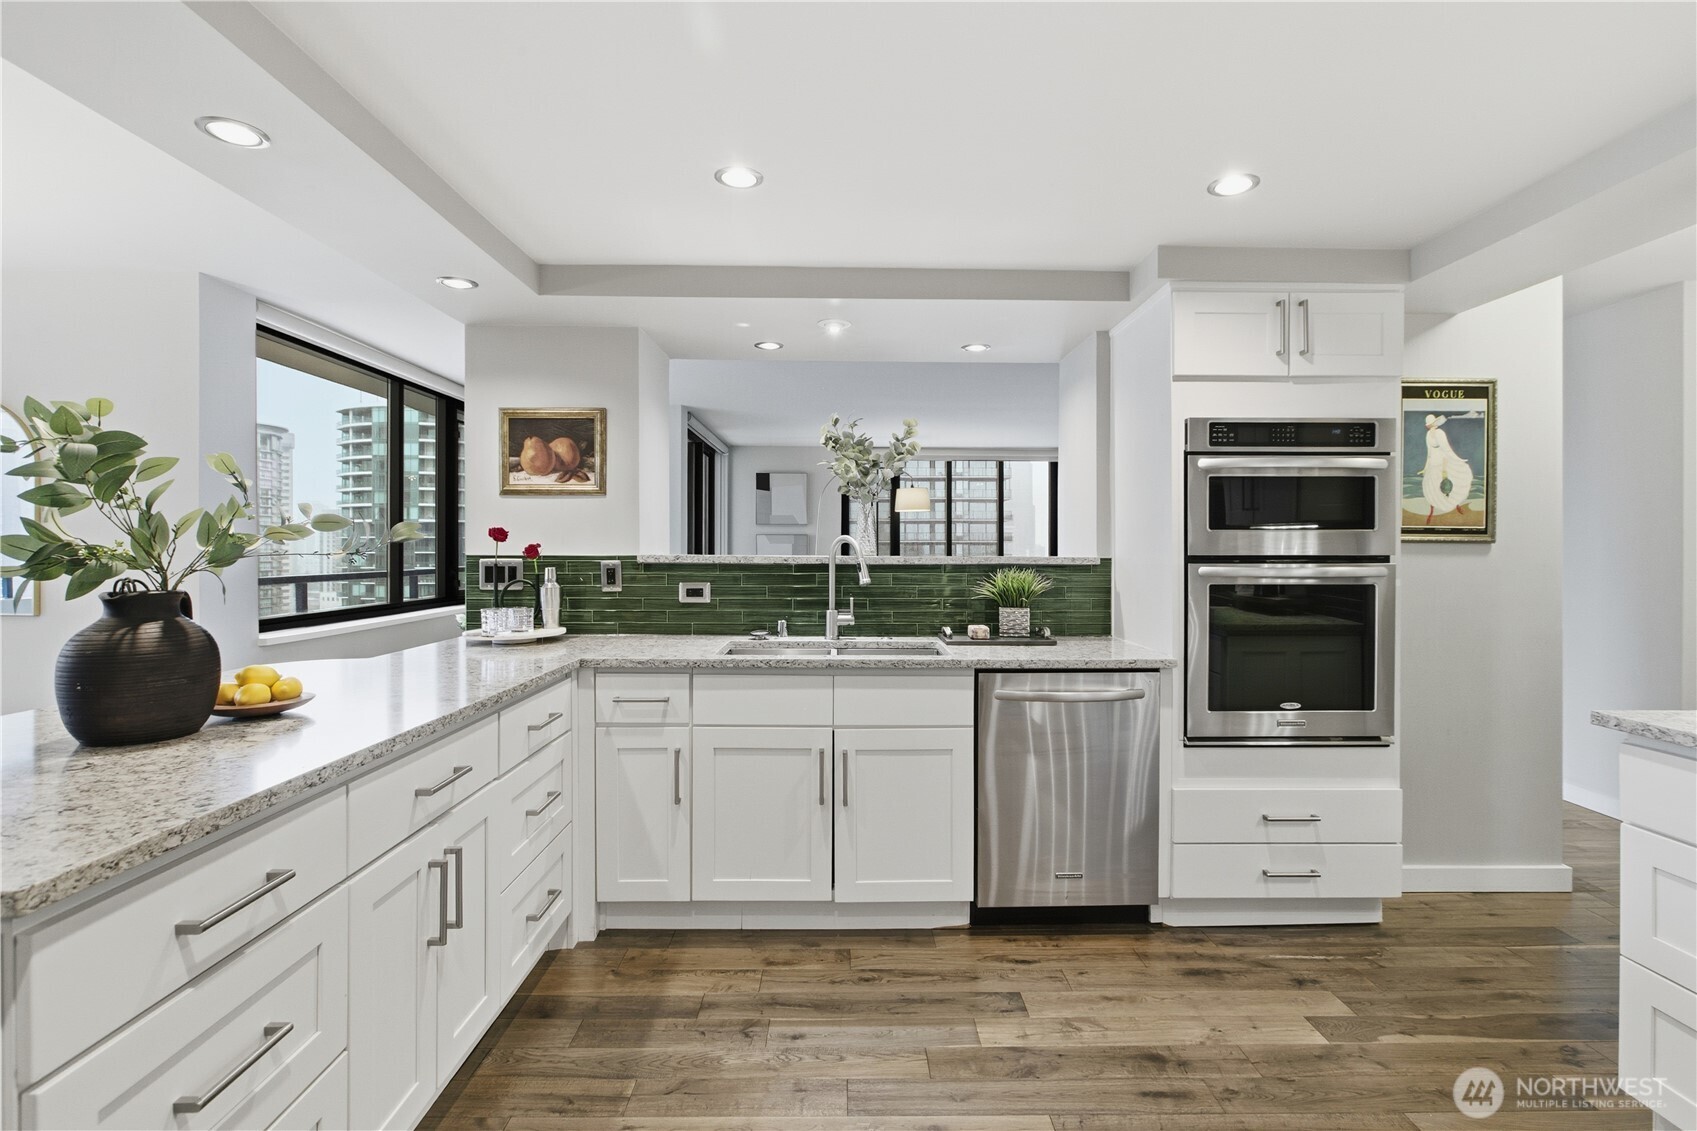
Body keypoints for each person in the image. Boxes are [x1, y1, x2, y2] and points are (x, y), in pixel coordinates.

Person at [1420, 413, 1473, 524]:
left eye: (1432, 423)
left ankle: (1456, 504)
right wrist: (1425, 468)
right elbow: (1429, 453)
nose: (1430, 426)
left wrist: (1445, 469)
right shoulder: (1428, 435)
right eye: (1429, 424)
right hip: (1433, 464)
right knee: (1432, 487)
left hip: (1443, 462)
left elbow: (1446, 451)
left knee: (1449, 484)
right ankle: (1431, 511)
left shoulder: (1440, 433)